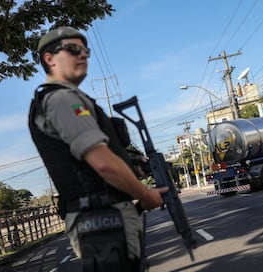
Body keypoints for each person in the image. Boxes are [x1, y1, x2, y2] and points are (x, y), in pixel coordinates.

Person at [28, 26, 168, 272]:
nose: (83, 56)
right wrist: (146, 196)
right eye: (73, 49)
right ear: (49, 58)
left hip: (103, 216)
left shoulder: (65, 98)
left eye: (85, 51)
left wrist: (134, 167)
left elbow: (92, 165)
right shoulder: (62, 99)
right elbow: (103, 163)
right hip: (102, 219)